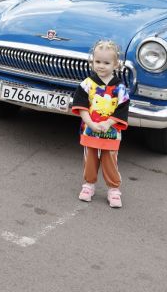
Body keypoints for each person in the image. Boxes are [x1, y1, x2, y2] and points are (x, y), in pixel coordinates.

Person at [71, 39, 129, 208]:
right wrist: (90, 123)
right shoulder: (87, 84)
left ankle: (114, 189)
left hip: (110, 132)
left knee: (110, 159)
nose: (101, 66)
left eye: (106, 62)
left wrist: (109, 123)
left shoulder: (120, 87)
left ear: (115, 64)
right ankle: (88, 185)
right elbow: (81, 106)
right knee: (90, 158)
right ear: (92, 61)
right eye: (97, 62)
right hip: (89, 130)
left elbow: (122, 108)